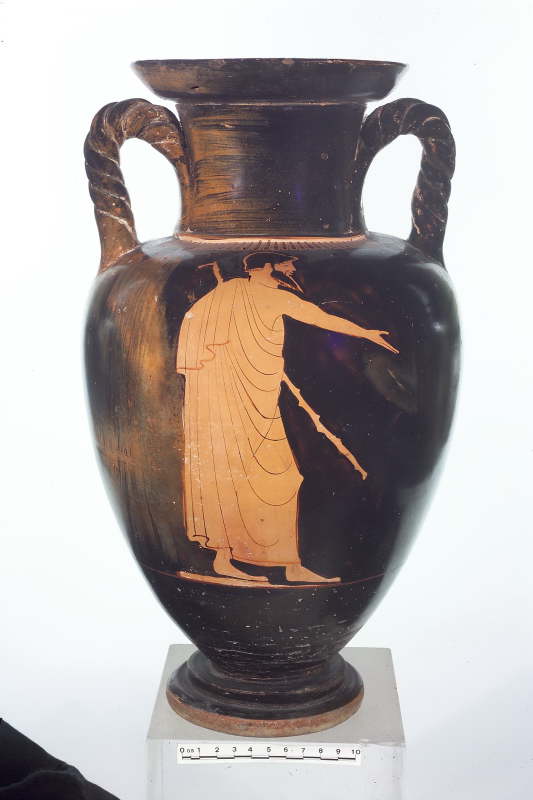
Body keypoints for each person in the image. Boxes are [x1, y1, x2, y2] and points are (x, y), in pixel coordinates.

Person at [176, 252, 398, 584]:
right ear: (264, 267)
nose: (292, 269)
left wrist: (366, 334)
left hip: (261, 401)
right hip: (230, 401)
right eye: (286, 265)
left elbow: (318, 317)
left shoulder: (274, 297)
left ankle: (288, 565)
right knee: (232, 473)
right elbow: (198, 335)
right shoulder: (230, 294)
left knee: (280, 478)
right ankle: (227, 559)